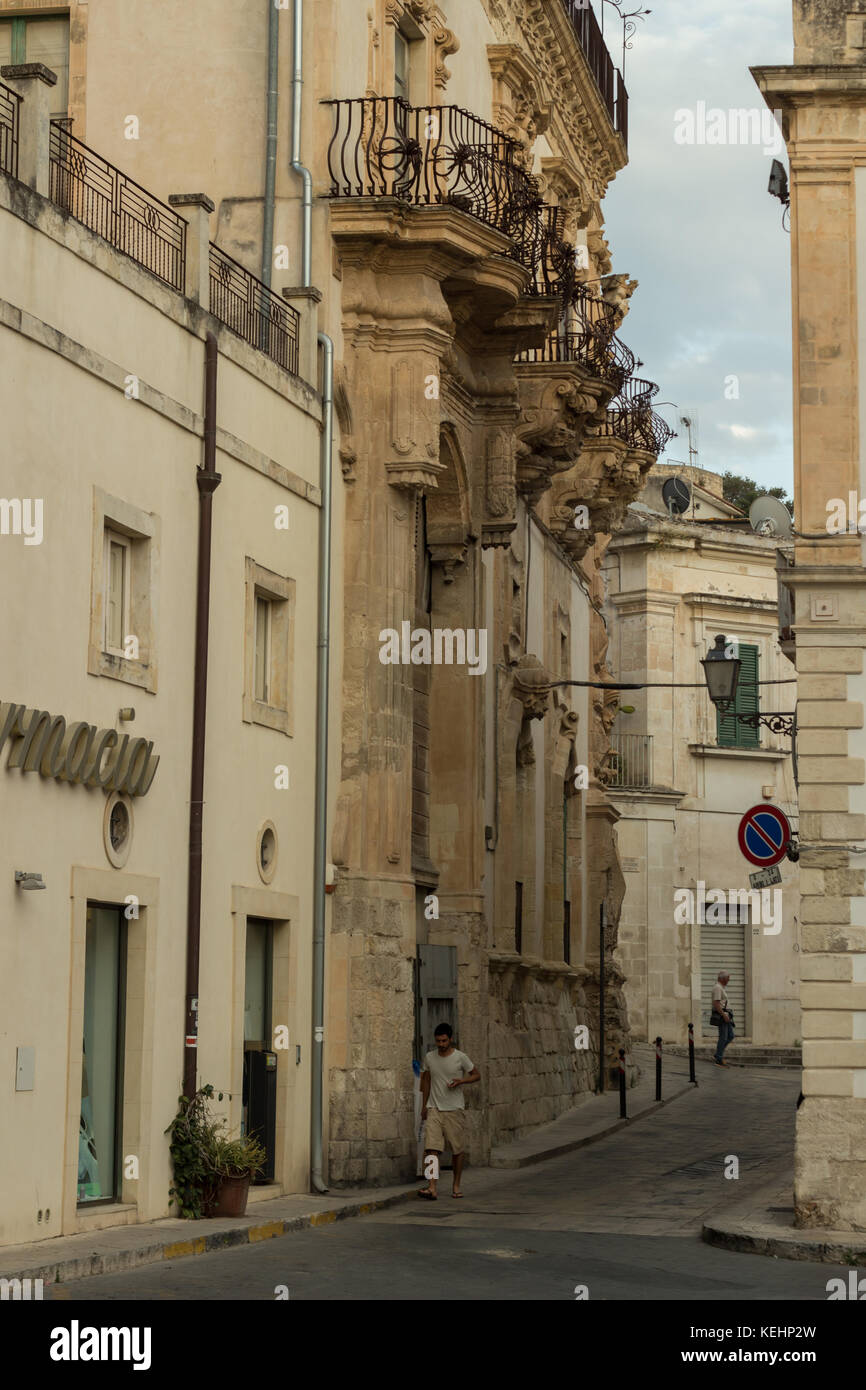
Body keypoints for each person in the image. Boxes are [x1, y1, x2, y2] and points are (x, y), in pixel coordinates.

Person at [417, 1023, 480, 1200]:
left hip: (454, 1109)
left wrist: (461, 1082)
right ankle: (432, 1187)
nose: (441, 1044)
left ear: (450, 1039)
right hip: (434, 1108)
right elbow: (426, 1081)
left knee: (457, 1150)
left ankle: (456, 1185)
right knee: (431, 1149)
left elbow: (476, 1074)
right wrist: (424, 1106)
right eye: (438, 1041)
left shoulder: (461, 1057)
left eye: (444, 1040)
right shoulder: (429, 1057)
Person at [712, 970, 735, 1066]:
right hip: (723, 1016)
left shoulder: (721, 987)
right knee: (724, 1037)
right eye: (728, 978)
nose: (729, 980)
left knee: (730, 1036)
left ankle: (718, 1054)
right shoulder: (717, 988)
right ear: (723, 978)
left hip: (726, 1015)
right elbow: (716, 1003)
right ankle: (719, 1058)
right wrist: (724, 1015)